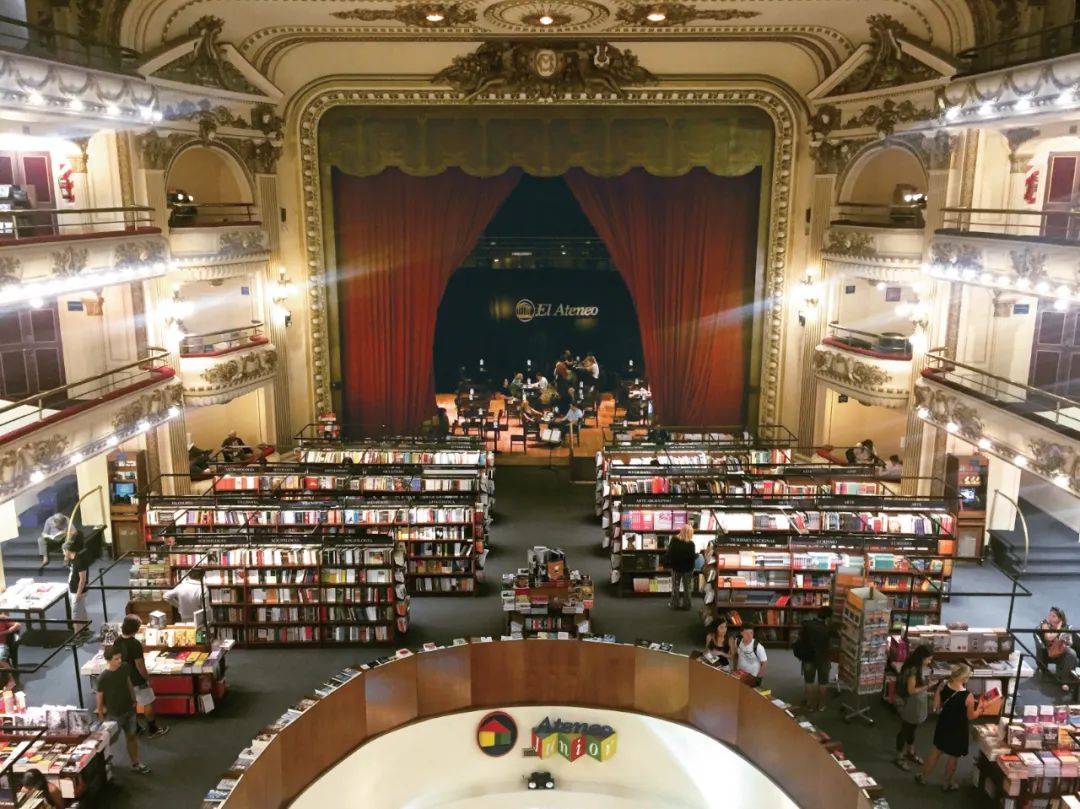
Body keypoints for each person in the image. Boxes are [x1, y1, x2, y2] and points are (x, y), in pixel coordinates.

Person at [917, 664, 986, 790]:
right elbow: (971, 716)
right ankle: (946, 783)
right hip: (958, 729)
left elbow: (936, 706)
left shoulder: (943, 685)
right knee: (953, 757)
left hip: (943, 724)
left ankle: (923, 776)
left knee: (935, 752)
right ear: (964, 678)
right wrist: (980, 710)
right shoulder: (968, 696)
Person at [95, 644, 151, 773]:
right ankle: (104, 761)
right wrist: (101, 717)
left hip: (129, 709)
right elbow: (99, 698)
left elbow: (128, 682)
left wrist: (134, 698)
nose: (119, 661)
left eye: (120, 658)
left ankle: (135, 763)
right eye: (116, 659)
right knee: (108, 740)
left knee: (131, 737)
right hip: (114, 714)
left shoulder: (124, 667)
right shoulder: (103, 677)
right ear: (108, 660)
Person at [114, 615, 169, 738]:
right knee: (147, 702)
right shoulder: (135, 644)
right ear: (135, 628)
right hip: (137, 679)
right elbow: (139, 665)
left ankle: (135, 728)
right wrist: (147, 678)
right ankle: (153, 729)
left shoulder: (117, 641)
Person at [895, 646, 934, 771]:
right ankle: (899, 756)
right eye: (928, 659)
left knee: (911, 728)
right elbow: (911, 690)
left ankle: (910, 752)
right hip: (910, 704)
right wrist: (928, 686)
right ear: (922, 658)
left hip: (913, 703)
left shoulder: (914, 666)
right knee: (905, 729)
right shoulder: (913, 669)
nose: (929, 662)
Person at [795, 606, 833, 711]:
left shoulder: (807, 624)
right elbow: (831, 644)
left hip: (809, 657)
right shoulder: (829, 629)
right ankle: (821, 705)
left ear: (817, 614)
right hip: (824, 658)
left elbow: (800, 638)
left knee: (809, 681)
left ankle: (809, 705)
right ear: (828, 618)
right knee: (823, 683)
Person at [1036, 606, 1077, 694]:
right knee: (1070, 653)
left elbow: (1070, 643)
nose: (1050, 617)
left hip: (1061, 650)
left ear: (1060, 618)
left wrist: (1066, 639)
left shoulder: (1065, 627)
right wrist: (1058, 630)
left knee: (1072, 654)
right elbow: (1048, 637)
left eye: (1053, 616)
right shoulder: (1045, 623)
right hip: (1047, 651)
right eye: (1050, 615)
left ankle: (1065, 681)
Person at [664, 524, 697, 611]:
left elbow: (669, 554)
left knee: (675, 587)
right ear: (690, 533)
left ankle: (675, 604)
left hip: (676, 568)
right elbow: (692, 558)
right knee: (687, 588)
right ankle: (687, 605)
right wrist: (696, 557)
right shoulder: (691, 544)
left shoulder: (674, 540)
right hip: (688, 569)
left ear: (681, 531)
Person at [63, 538, 89, 631]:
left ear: (68, 550)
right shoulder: (72, 559)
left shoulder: (80, 560)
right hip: (72, 589)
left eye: (64, 551)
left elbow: (82, 579)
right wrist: (66, 558)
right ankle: (85, 629)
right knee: (81, 611)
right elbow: (67, 567)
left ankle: (77, 635)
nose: (63, 553)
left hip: (78, 591)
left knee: (75, 615)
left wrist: (78, 593)